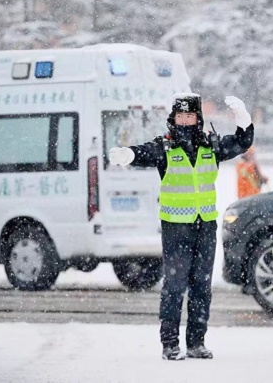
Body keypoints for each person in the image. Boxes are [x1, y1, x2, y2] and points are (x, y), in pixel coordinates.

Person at [108, 92, 253, 361]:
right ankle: (170, 344)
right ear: (173, 119)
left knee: (201, 286)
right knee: (175, 286)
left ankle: (197, 342)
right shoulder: (165, 147)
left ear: (198, 118)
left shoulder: (212, 146)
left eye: (191, 115)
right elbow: (145, 153)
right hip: (176, 228)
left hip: (204, 225)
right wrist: (129, 154)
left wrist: (243, 119)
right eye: (181, 116)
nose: (186, 120)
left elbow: (242, 142)